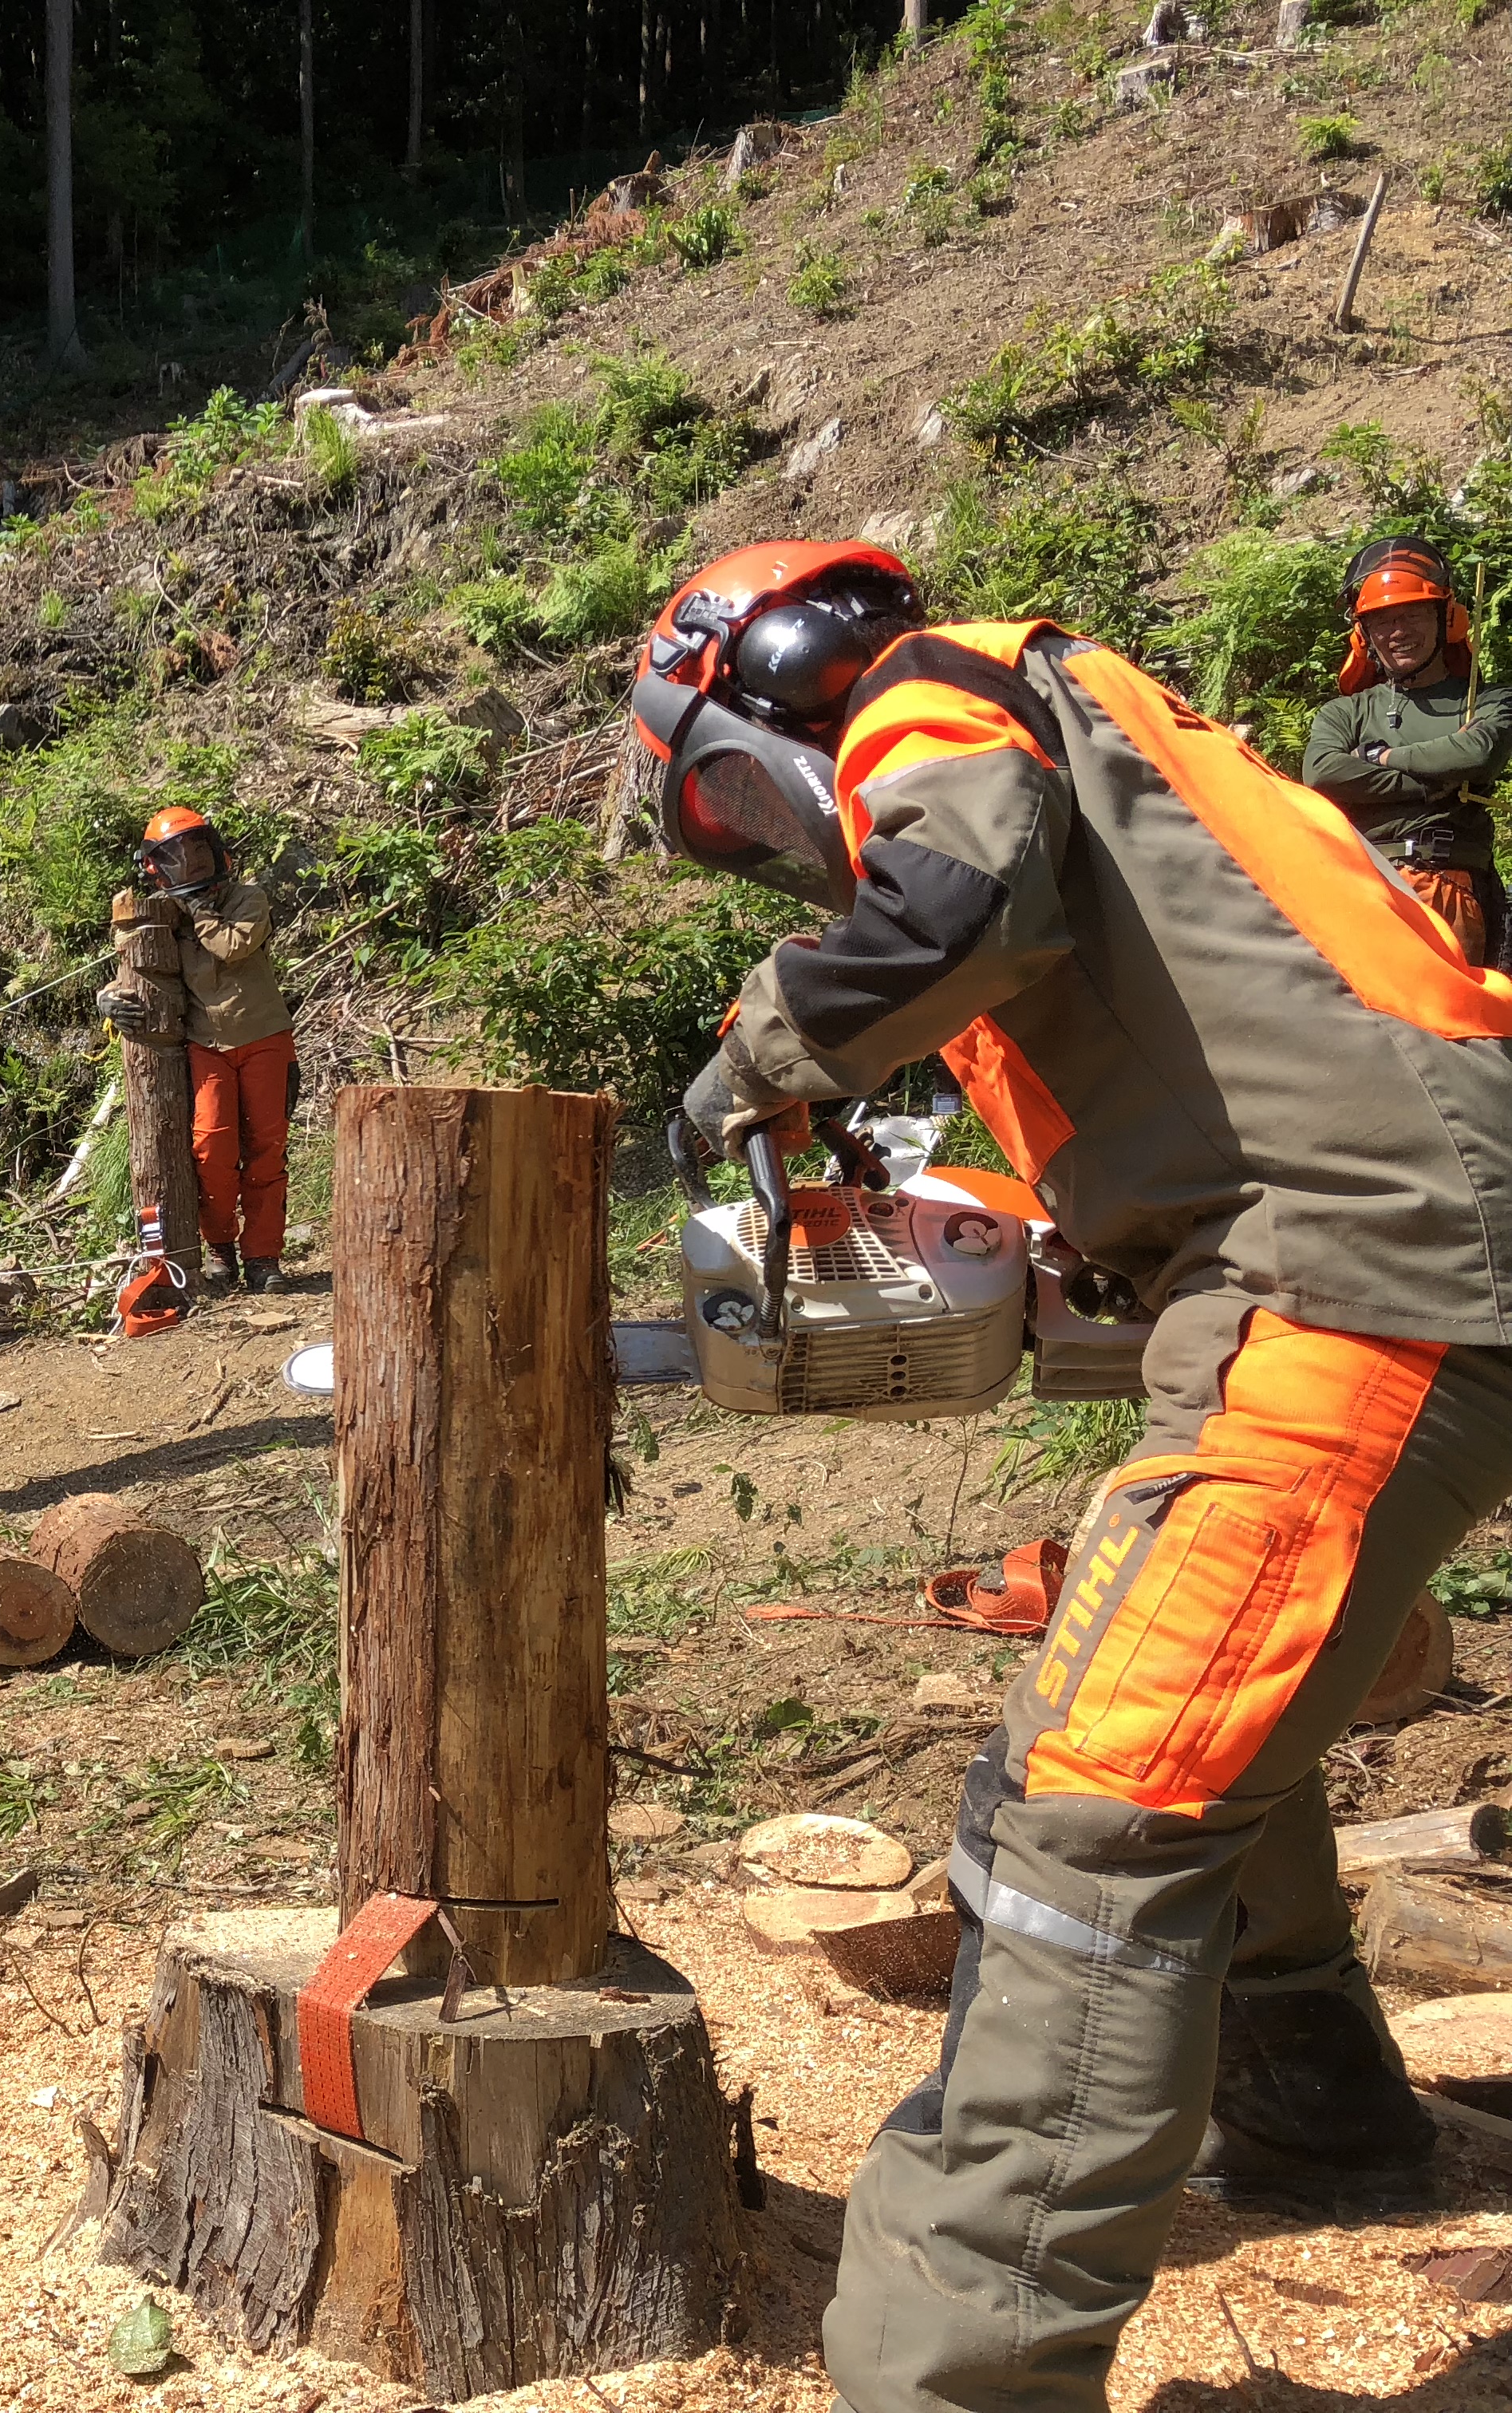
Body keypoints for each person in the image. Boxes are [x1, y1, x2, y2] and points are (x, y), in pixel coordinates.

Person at [634, 540, 1512, 2413]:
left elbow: (962, 895)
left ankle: (954, 2381)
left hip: (1357, 1274)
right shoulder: (1121, 732)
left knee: (1088, 1824)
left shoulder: (927, 704)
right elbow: (1181, 1069)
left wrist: (754, 1053)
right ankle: (1318, 2121)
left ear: (757, 700)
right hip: (1368, 1241)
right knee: (1195, 1720)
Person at [96, 804, 294, 1294]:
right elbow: (136, 967)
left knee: (267, 1150)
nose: (193, 860)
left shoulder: (247, 898)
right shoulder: (159, 914)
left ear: (215, 848)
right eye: (179, 855)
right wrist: (108, 998)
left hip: (265, 1037)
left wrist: (200, 910)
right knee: (211, 1149)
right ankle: (222, 1248)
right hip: (207, 1044)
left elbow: (233, 946)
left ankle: (264, 1257)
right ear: (158, 867)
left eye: (199, 847)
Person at [1301, 533, 1511, 967]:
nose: (1397, 632)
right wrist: (1435, 781)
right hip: (1362, 888)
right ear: (1363, 634)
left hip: (1449, 887)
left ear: (1445, 619)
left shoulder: (1488, 701)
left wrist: (1378, 759)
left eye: (1413, 613)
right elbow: (1323, 773)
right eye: (1381, 620)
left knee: (1451, 1026)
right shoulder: (1346, 712)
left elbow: (1477, 753)